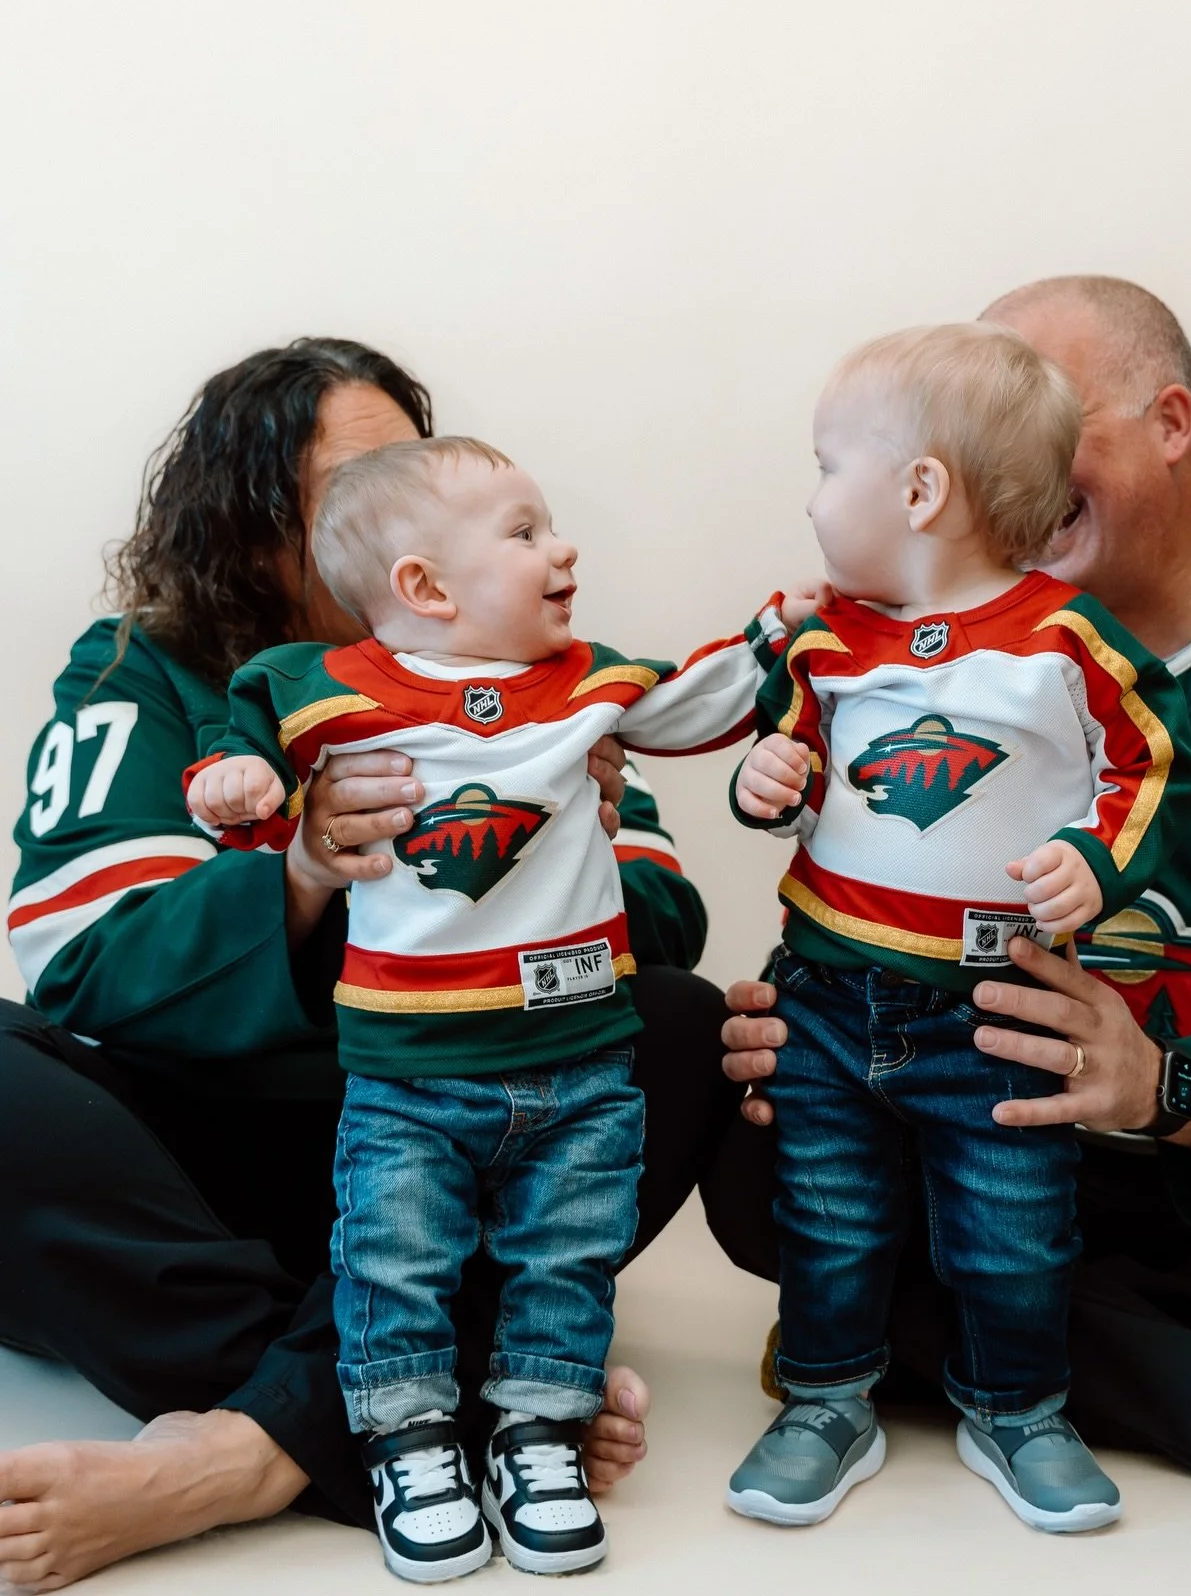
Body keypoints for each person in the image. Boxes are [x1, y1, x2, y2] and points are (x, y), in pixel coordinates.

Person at [713, 276, 1191, 1547]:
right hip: (951, 1122)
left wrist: (1165, 1088)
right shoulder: (875, 643)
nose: (1015, 475)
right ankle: (1033, 1350)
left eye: (1055, 431)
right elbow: (809, 833)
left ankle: (928, 1332)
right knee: (745, 1145)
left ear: (1171, 423)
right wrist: (804, 1026)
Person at [0, 341, 736, 1591]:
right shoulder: (145, 670)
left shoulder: (537, 671)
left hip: (469, 1119)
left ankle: (254, 1448)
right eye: (352, 478)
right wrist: (300, 873)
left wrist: (565, 846)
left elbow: (665, 910)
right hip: (216, 1153)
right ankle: (446, 1395)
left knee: (680, 1026)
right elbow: (77, 959)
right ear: (248, 528)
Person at [187, 433, 779, 1581]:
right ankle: (408, 1442)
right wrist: (241, 782)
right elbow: (249, 745)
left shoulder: (586, 684)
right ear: (424, 587)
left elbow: (696, 705)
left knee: (567, 1256)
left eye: (549, 525)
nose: (563, 548)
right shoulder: (331, 688)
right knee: (394, 1258)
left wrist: (782, 636)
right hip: (409, 1070)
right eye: (524, 533)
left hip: (582, 1059)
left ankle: (540, 1434)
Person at [721, 325, 1191, 1535]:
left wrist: (1098, 863)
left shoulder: (1062, 640)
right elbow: (790, 751)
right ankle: (829, 1399)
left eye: (830, 464)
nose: (815, 496)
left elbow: (1150, 764)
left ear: (920, 490)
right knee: (828, 1212)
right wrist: (765, 780)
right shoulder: (829, 637)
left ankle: (1020, 1408)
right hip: (827, 990)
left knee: (1013, 1222)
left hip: (995, 1009)